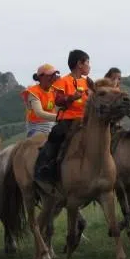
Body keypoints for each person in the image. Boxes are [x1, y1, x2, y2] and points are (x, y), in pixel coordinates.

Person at [34, 50, 94, 182]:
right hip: (69, 119)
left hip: (86, 120)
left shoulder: (88, 82)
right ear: (79, 64)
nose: (89, 66)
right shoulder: (63, 81)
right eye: (87, 63)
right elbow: (58, 100)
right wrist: (71, 98)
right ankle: (45, 167)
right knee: (56, 136)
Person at [22, 64, 60, 137]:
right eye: (50, 75)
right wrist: (60, 117)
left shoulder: (54, 90)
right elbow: (39, 113)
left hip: (52, 126)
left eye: (54, 75)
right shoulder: (33, 92)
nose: (53, 78)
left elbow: (59, 107)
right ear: (41, 77)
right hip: (36, 128)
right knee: (40, 142)